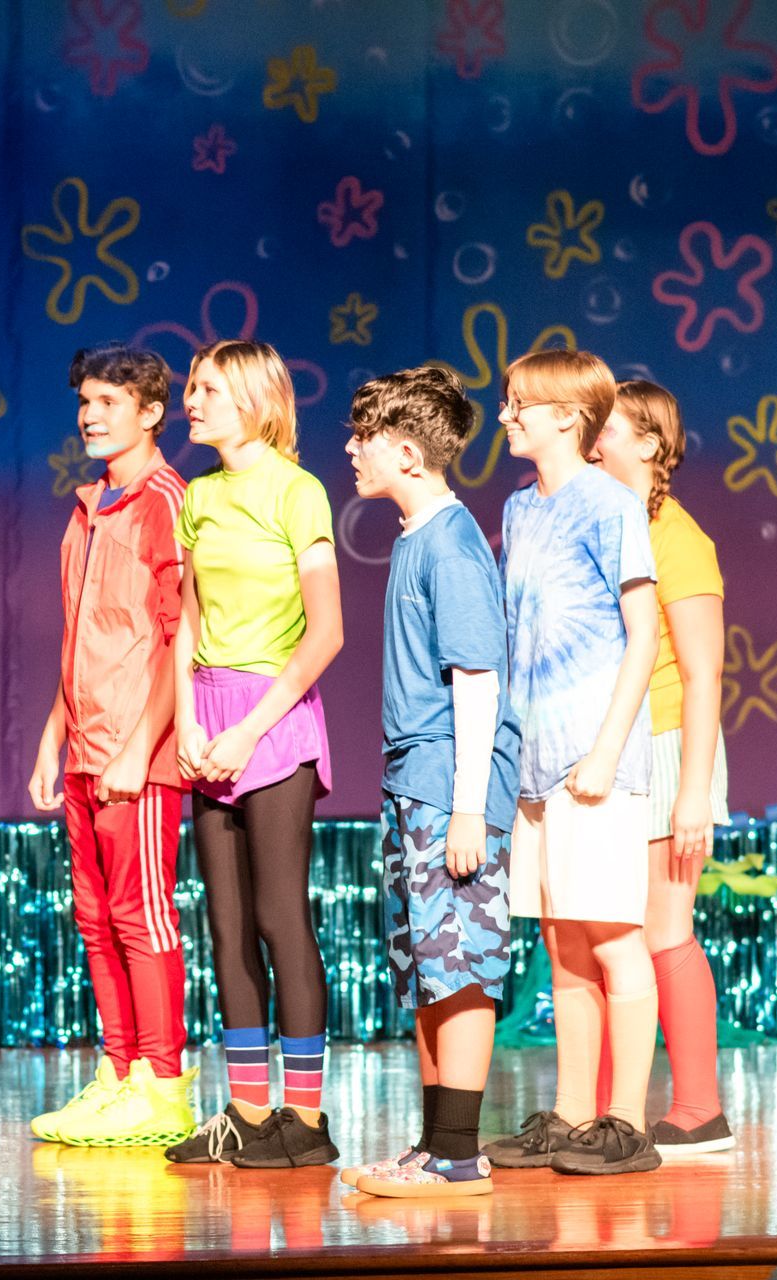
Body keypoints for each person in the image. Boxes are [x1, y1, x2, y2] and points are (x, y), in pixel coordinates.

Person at [338, 366, 521, 1198]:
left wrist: (467, 810)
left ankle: (458, 1154)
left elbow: (477, 679)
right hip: (414, 779)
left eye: (363, 439)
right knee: (423, 965)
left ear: (407, 452)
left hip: (450, 781)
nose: (350, 451)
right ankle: (433, 1143)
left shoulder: (450, 545)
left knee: (461, 962)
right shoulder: (418, 538)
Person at [162, 340, 344, 1169]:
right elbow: (188, 622)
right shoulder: (195, 497)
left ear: (253, 398)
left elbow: (326, 632)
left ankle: (303, 1122)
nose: (190, 401)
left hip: (273, 718)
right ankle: (247, 1112)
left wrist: (248, 729)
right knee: (226, 927)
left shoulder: (296, 491)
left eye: (205, 389)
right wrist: (189, 724)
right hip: (210, 717)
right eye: (191, 387)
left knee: (278, 916)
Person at [481, 350, 662, 1176]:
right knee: (562, 946)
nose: (506, 415)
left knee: (617, 938)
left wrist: (606, 749)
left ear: (566, 416)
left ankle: (627, 1123)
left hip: (593, 756)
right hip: (536, 760)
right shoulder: (520, 509)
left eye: (519, 403)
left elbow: (643, 631)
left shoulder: (610, 505)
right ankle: (573, 1112)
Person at [27, 344, 193, 1147]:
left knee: (142, 916)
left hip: (140, 752)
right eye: (85, 401)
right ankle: (119, 1072)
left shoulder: (166, 501)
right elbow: (79, 639)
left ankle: (164, 1085)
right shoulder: (89, 505)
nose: (90, 415)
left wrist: (140, 745)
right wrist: (49, 740)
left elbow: (178, 640)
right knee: (94, 919)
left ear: (152, 411)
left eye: (108, 401)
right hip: (84, 749)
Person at [588, 379, 733, 1156]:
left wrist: (693, 794)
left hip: (673, 748)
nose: (593, 440)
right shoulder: (610, 527)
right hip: (620, 752)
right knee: (617, 933)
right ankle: (615, 1110)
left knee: (664, 929)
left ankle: (698, 1108)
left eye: (606, 428)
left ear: (648, 443)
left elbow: (705, 673)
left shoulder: (677, 538)